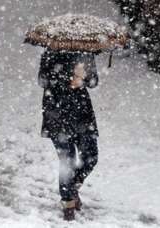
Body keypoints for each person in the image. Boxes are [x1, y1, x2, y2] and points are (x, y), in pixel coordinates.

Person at [37, 48, 99, 221]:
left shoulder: (86, 52)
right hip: (57, 113)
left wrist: (84, 77)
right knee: (68, 160)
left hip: (82, 115)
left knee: (91, 156)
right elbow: (43, 80)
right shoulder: (50, 53)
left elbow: (94, 81)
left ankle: (72, 188)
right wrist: (69, 78)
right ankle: (68, 203)